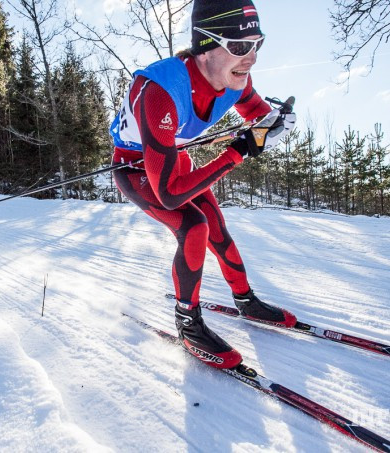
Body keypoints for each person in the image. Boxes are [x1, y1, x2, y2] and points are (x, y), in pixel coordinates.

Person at [110, 0, 297, 371]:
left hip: (172, 160)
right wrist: (239, 151)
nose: (252, 57)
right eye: (241, 47)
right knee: (194, 227)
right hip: (135, 169)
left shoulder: (234, 78)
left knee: (218, 229)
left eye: (258, 44)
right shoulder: (160, 90)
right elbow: (169, 193)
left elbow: (259, 115)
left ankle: (246, 300)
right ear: (206, 44)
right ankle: (188, 323)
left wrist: (276, 123)